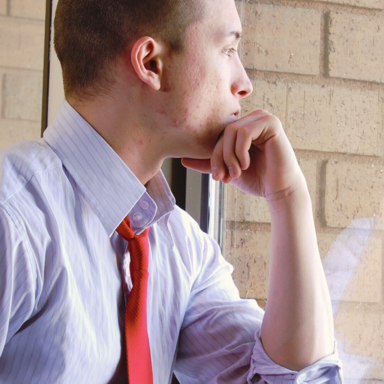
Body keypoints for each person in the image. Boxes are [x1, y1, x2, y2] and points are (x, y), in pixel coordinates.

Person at [0, 0, 342, 382]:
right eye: (228, 49)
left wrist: (289, 198)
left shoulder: (181, 247)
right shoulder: (13, 220)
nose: (245, 83)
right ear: (151, 64)